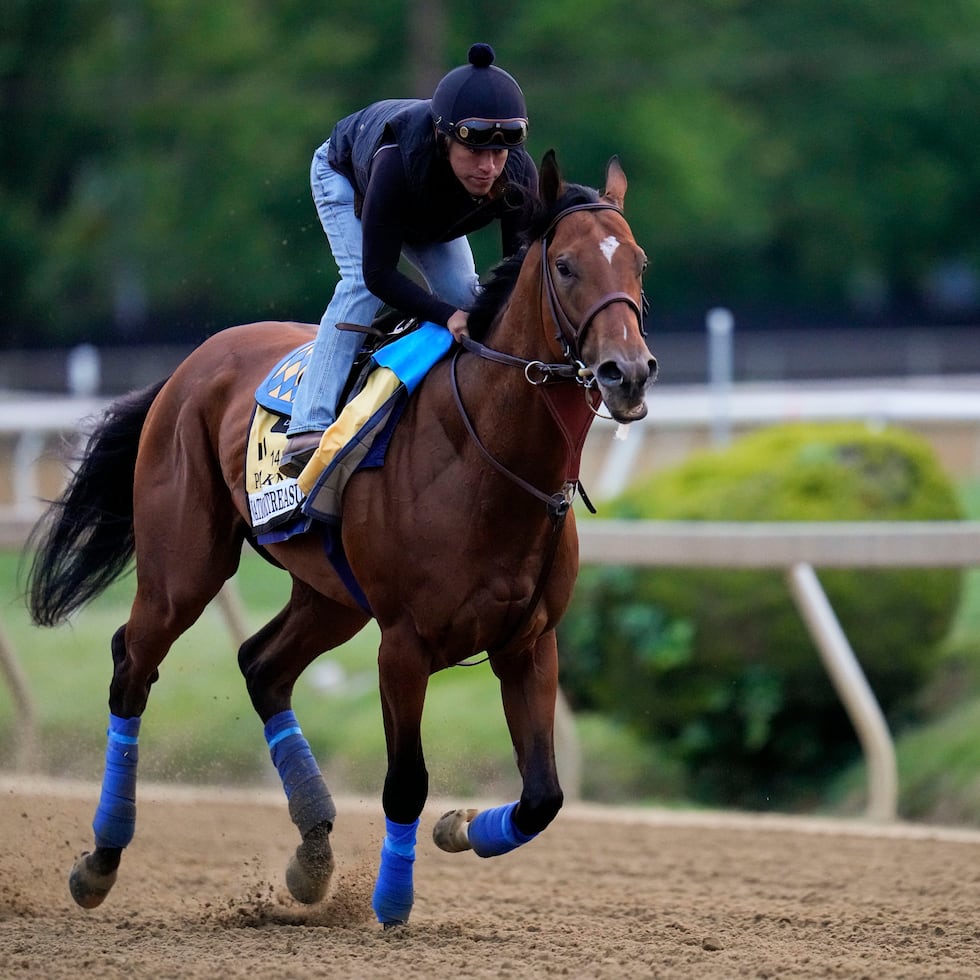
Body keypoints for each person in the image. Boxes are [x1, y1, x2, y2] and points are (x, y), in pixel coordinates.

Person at [281, 42, 539, 477]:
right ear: (443, 138)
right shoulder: (397, 162)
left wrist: (460, 312)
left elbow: (516, 274)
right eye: (475, 152)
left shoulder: (516, 173)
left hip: (426, 211)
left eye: (498, 153)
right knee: (360, 287)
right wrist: (444, 315)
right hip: (346, 177)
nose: (488, 167)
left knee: (467, 298)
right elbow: (379, 273)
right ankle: (308, 424)